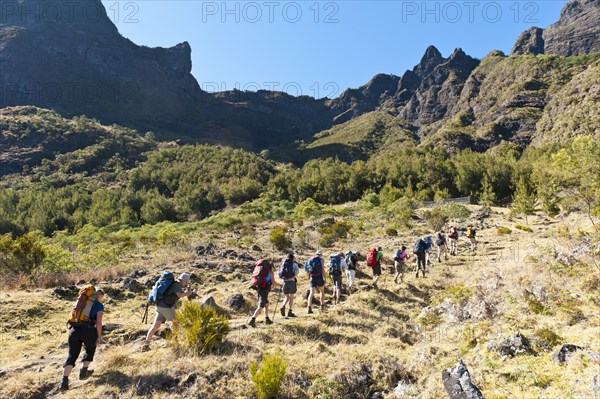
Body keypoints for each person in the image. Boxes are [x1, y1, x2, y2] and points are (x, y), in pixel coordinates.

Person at [60, 288, 105, 391]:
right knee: (90, 350)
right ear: (99, 296)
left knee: (72, 355)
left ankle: (64, 382)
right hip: (88, 330)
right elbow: (98, 323)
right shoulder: (98, 305)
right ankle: (83, 372)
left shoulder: (80, 302)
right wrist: (99, 336)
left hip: (74, 330)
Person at [145, 273, 194, 347]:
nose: (186, 283)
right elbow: (179, 295)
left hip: (159, 305)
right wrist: (190, 293)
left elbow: (177, 293)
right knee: (176, 322)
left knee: (156, 325)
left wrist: (187, 291)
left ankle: (146, 344)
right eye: (186, 282)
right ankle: (175, 342)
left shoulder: (174, 284)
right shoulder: (176, 285)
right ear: (183, 280)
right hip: (165, 307)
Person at [249, 260, 282, 327]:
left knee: (266, 304)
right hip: (264, 290)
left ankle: (267, 319)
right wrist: (280, 285)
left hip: (259, 288)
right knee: (261, 306)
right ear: (271, 266)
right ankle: (252, 320)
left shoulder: (260, 271)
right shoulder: (270, 272)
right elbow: (273, 283)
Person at [278, 253, 299, 318]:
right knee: (291, 297)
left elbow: (279, 273)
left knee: (286, 297)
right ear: (293, 258)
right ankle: (290, 311)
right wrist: (293, 276)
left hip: (284, 282)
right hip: (291, 281)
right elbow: (297, 272)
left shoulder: (283, 264)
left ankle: (283, 306)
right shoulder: (294, 264)